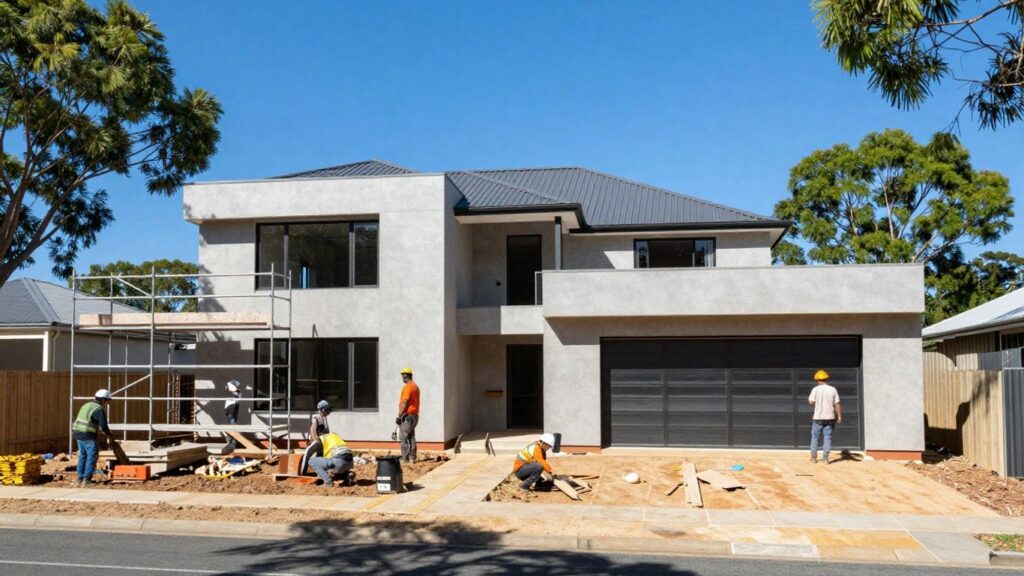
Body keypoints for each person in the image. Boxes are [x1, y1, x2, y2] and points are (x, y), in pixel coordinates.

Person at [72, 389, 113, 486]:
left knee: (83, 455)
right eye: (106, 401)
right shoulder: (98, 409)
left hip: (77, 433)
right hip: (87, 435)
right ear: (103, 400)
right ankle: (87, 479)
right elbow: (103, 425)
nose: (106, 403)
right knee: (92, 456)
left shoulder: (86, 405)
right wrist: (109, 435)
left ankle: (80, 478)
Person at [808, 369, 842, 464]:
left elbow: (811, 402)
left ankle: (814, 458)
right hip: (830, 418)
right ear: (826, 378)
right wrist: (839, 416)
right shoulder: (832, 389)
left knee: (815, 437)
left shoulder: (815, 389)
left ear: (817, 379)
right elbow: (837, 404)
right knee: (828, 437)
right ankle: (826, 458)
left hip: (818, 418)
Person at [299, 400, 332, 476]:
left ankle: (319, 474)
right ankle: (302, 472)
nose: (328, 412)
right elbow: (313, 429)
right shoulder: (316, 417)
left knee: (318, 458)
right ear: (322, 409)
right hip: (317, 441)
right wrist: (315, 439)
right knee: (307, 454)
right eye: (327, 410)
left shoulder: (324, 418)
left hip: (322, 442)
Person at [396, 367, 420, 463]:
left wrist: (399, 415)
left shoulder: (408, 387)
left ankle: (405, 458)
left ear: (406, 376)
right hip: (415, 415)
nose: (402, 377)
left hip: (407, 416)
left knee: (404, 437)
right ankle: (413, 457)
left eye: (403, 375)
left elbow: (405, 401)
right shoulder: (415, 387)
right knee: (411, 436)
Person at [224, 379, 241, 450]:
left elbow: (235, 401)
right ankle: (232, 442)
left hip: (231, 409)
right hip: (231, 408)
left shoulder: (236, 394)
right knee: (232, 423)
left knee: (232, 424)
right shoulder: (237, 393)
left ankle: (233, 442)